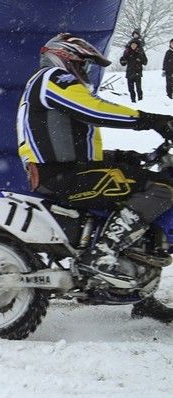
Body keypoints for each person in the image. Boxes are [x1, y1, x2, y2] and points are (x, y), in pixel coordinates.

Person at [17, 33, 173, 322]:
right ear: (67, 57)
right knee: (160, 188)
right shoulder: (53, 77)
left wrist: (123, 156)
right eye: (84, 64)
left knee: (144, 190)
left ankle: (142, 295)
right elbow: (93, 110)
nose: (86, 71)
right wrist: (153, 120)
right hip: (61, 175)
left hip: (64, 170)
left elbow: (72, 141)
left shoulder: (48, 84)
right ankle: (102, 255)